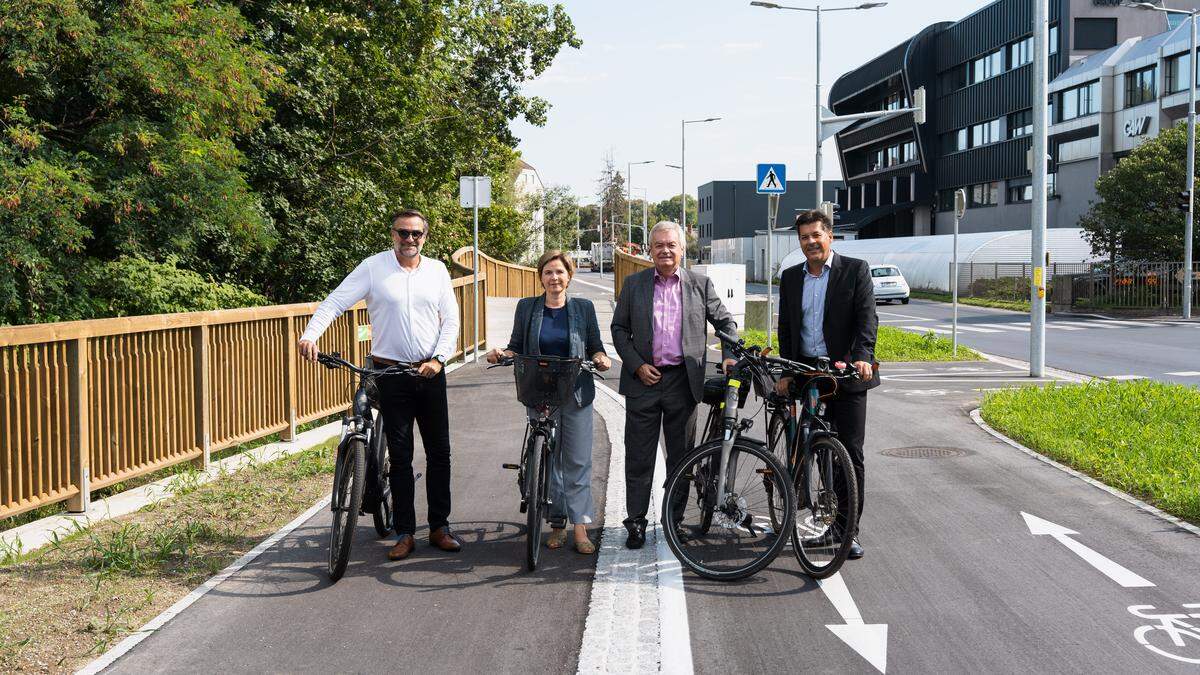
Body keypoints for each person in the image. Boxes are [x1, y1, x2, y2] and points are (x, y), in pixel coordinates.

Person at [297, 208, 463, 561]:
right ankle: (404, 532)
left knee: (439, 453)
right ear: (393, 234)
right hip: (391, 374)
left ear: (425, 237)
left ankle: (440, 527)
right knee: (400, 456)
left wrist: (440, 359)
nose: (409, 240)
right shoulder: (374, 267)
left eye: (416, 234)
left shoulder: (437, 271)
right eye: (403, 233)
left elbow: (451, 320)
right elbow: (335, 302)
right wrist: (311, 335)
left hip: (430, 373)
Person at [611, 221, 737, 549]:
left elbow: (725, 322)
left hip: (683, 382)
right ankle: (636, 522)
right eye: (659, 245)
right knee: (639, 457)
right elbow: (619, 329)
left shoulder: (699, 284)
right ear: (649, 250)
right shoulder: (634, 284)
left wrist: (728, 355)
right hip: (644, 383)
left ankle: (674, 520)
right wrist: (637, 365)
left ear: (682, 249)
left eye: (671, 245)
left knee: (681, 459)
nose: (665, 250)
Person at [487, 251, 611, 554]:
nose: (554, 278)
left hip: (576, 390)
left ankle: (580, 528)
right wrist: (501, 354)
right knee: (551, 461)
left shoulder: (583, 308)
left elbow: (595, 346)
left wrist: (600, 358)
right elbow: (516, 346)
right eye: (548, 273)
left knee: (578, 461)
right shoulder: (527, 308)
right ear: (540, 277)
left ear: (569, 276)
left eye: (559, 272)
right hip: (540, 389)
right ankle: (557, 524)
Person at [775, 209, 879, 560]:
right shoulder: (790, 278)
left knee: (850, 453)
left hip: (847, 376)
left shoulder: (855, 270)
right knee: (818, 449)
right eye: (804, 237)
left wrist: (862, 356)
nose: (810, 242)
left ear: (829, 236)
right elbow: (787, 329)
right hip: (809, 375)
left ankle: (849, 531)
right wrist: (788, 371)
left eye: (816, 235)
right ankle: (832, 522)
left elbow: (867, 320)